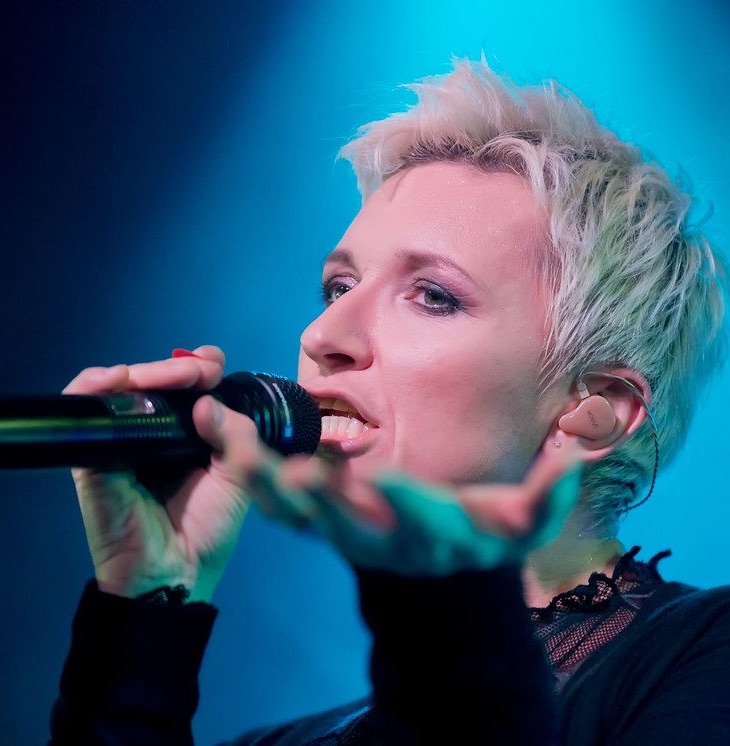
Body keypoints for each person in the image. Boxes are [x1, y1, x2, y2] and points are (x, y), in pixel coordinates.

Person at [48, 59, 729, 744]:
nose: (322, 335)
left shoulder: (704, 661)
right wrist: (151, 609)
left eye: (432, 295)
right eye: (339, 288)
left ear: (594, 411)